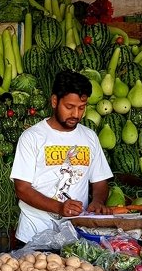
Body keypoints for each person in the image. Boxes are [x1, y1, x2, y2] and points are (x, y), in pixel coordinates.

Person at [10, 71, 113, 245]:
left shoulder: (90, 137)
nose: (76, 114)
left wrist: (97, 201)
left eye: (82, 108)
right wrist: (59, 208)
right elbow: (22, 189)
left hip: (75, 237)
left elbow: (100, 182)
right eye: (69, 107)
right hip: (34, 236)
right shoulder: (32, 137)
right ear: (54, 101)